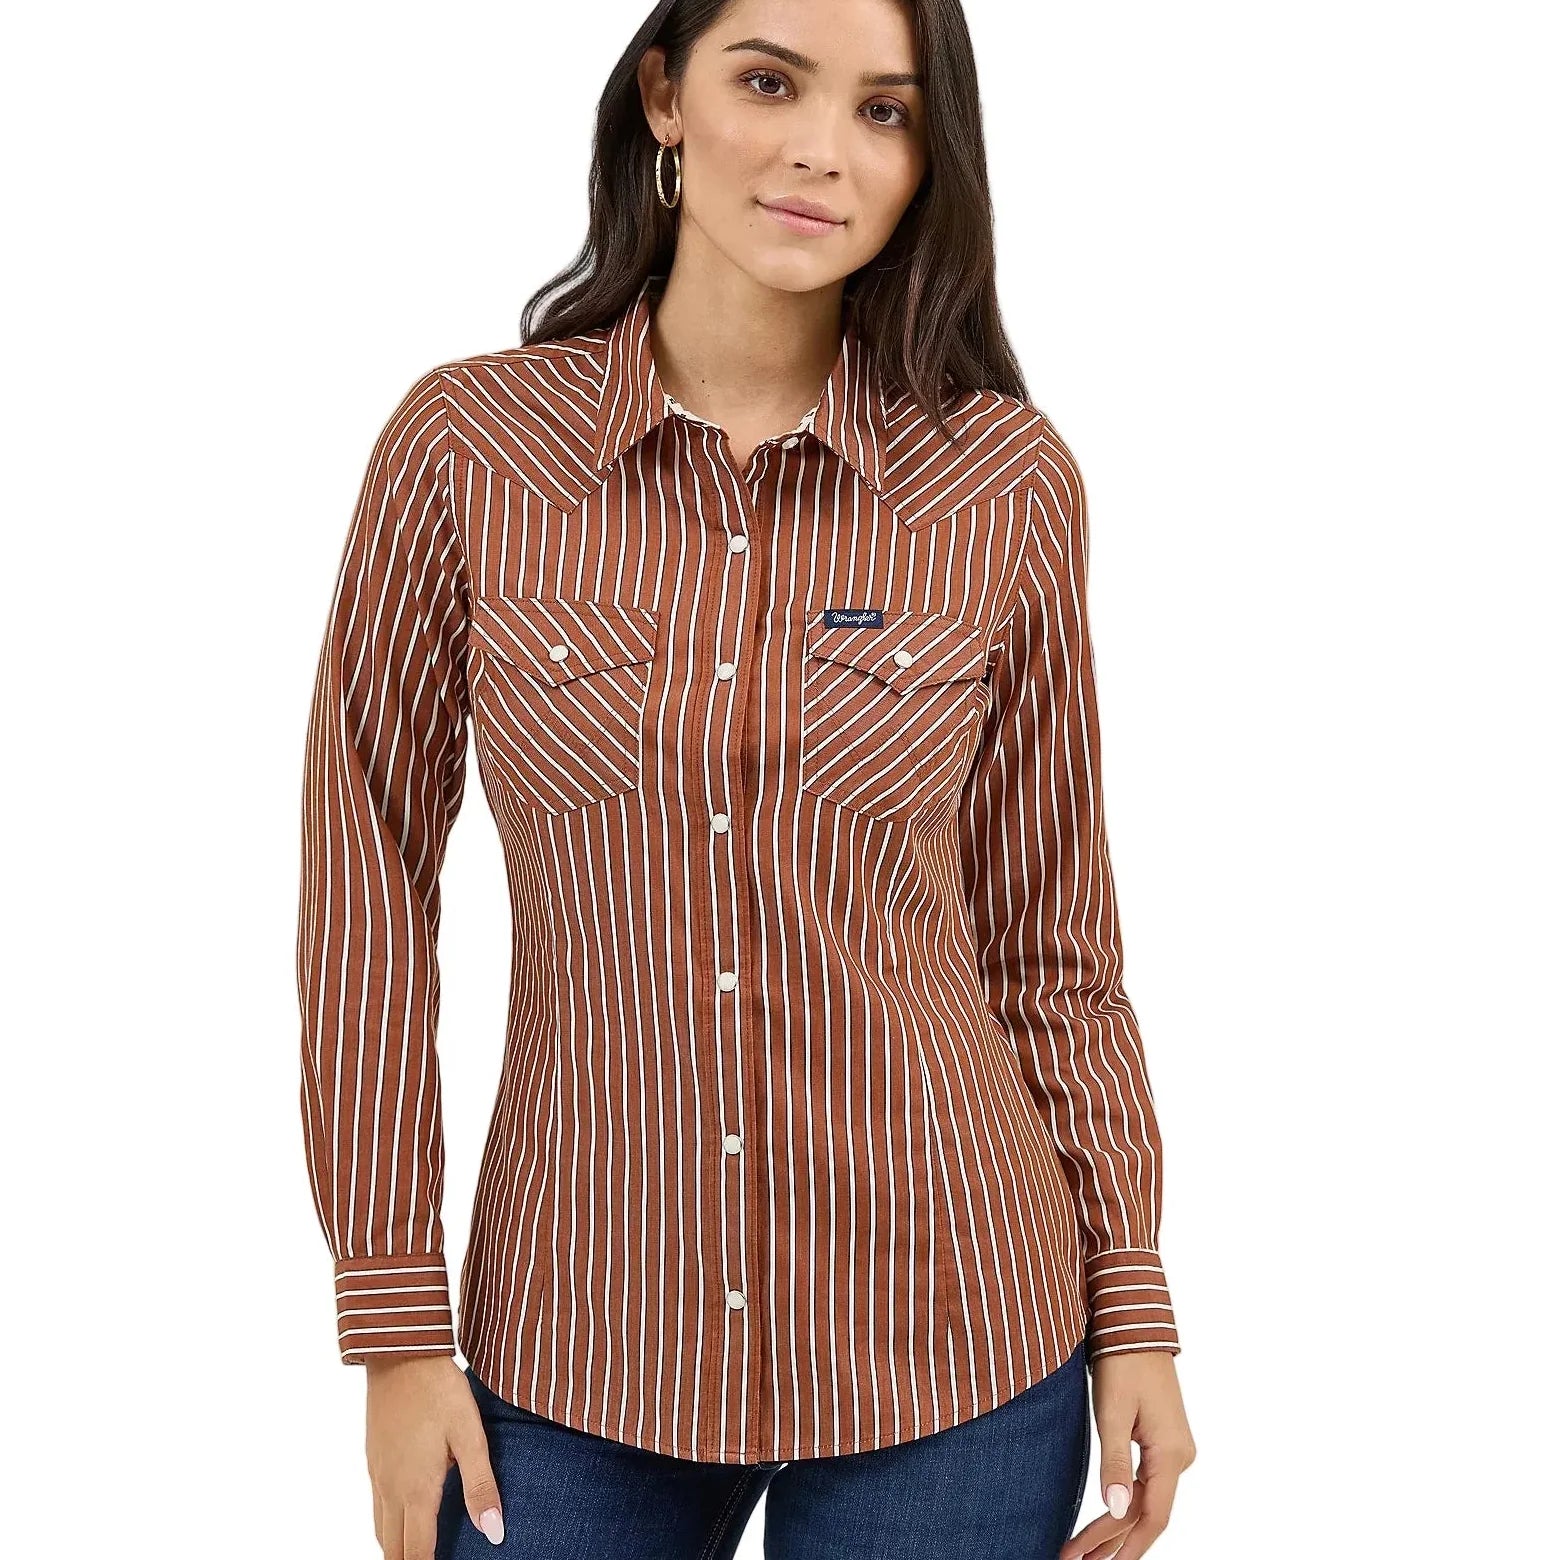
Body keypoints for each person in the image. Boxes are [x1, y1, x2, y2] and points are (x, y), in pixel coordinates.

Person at [295, 1, 1197, 1556]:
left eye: (885, 112)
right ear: (663, 96)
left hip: (957, 1347)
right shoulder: (467, 450)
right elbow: (366, 882)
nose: (821, 152)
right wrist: (393, 1322)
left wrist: (1133, 1303)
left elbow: (1050, 942)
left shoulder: (1003, 483)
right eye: (769, 82)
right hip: (573, 1344)